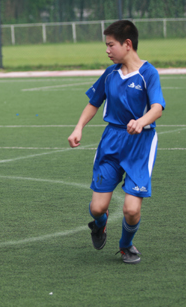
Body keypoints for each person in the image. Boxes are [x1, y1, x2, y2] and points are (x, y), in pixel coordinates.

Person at [68, 20, 165, 264]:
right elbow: (94, 102)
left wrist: (141, 121)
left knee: (131, 209)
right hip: (111, 141)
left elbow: (157, 108)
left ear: (128, 44)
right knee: (97, 208)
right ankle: (99, 225)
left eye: (111, 45)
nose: (107, 50)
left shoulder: (147, 73)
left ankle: (125, 245)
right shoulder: (110, 73)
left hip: (140, 144)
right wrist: (79, 127)